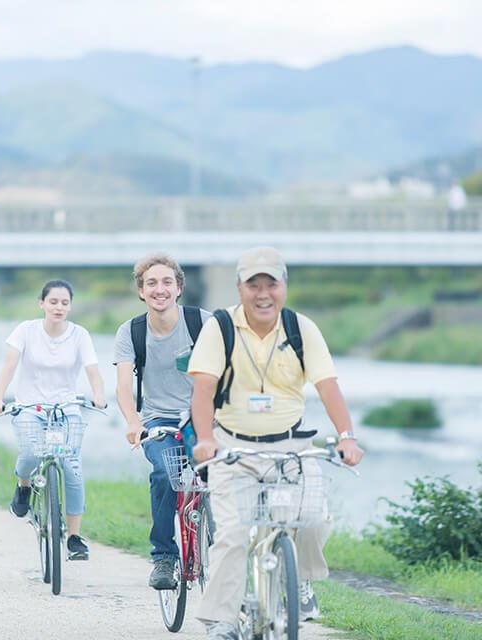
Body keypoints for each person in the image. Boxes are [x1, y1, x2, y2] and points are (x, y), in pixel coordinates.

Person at [189, 246, 364, 640]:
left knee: (313, 519)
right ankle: (224, 620)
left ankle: (300, 581)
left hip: (291, 448)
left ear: (284, 287)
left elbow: (328, 386)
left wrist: (348, 437)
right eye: (254, 284)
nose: (263, 293)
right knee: (232, 535)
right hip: (232, 448)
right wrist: (204, 439)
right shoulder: (220, 327)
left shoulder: (301, 328)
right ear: (240, 288)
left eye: (272, 283)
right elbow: (202, 389)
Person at [0, 279, 106, 561]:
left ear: (70, 306)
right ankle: (23, 487)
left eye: (65, 303)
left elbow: (92, 370)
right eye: (53, 302)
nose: (59, 307)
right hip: (30, 407)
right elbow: (9, 364)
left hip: (67, 408)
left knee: (72, 466)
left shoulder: (80, 335)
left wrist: (99, 395)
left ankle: (74, 538)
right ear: (42, 303)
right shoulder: (26, 331)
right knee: (30, 453)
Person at [114, 252, 210, 589]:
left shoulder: (203, 323)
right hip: (158, 419)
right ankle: (164, 557)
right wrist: (131, 421)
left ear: (179, 288)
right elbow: (124, 386)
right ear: (141, 291)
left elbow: (229, 373)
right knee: (163, 473)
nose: (160, 289)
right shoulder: (132, 331)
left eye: (167, 282)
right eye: (151, 283)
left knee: (221, 470)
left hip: (203, 414)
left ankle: (222, 541)